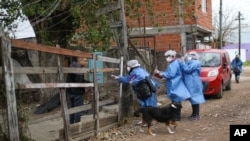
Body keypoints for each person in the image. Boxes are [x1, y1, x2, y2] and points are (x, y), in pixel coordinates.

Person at [111, 59, 158, 124]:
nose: (127, 68)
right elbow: (128, 79)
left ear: (131, 67)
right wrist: (118, 78)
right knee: (146, 106)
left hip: (146, 90)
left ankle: (150, 121)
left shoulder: (136, 72)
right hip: (145, 90)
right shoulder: (137, 71)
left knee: (148, 106)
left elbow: (138, 78)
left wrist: (133, 82)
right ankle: (146, 120)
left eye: (128, 66)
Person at [154, 50, 190, 121]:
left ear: (172, 56)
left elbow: (171, 74)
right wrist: (164, 75)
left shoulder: (173, 64)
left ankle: (176, 117)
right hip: (175, 83)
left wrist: (160, 73)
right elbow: (170, 73)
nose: (167, 58)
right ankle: (176, 116)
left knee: (176, 102)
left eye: (168, 56)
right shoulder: (174, 63)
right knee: (176, 101)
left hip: (174, 84)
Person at [180, 51, 205, 121]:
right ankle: (194, 113)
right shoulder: (191, 62)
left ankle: (196, 115)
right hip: (191, 83)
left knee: (195, 99)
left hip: (194, 83)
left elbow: (188, 70)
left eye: (190, 55)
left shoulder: (195, 62)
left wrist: (182, 62)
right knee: (193, 99)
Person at [66, 57, 88, 124]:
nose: (86, 63)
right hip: (77, 92)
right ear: (80, 60)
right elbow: (79, 81)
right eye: (85, 61)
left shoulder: (72, 66)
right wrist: (87, 83)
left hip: (70, 91)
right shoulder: (78, 69)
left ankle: (71, 125)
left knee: (72, 109)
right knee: (78, 110)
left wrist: (87, 82)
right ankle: (77, 126)